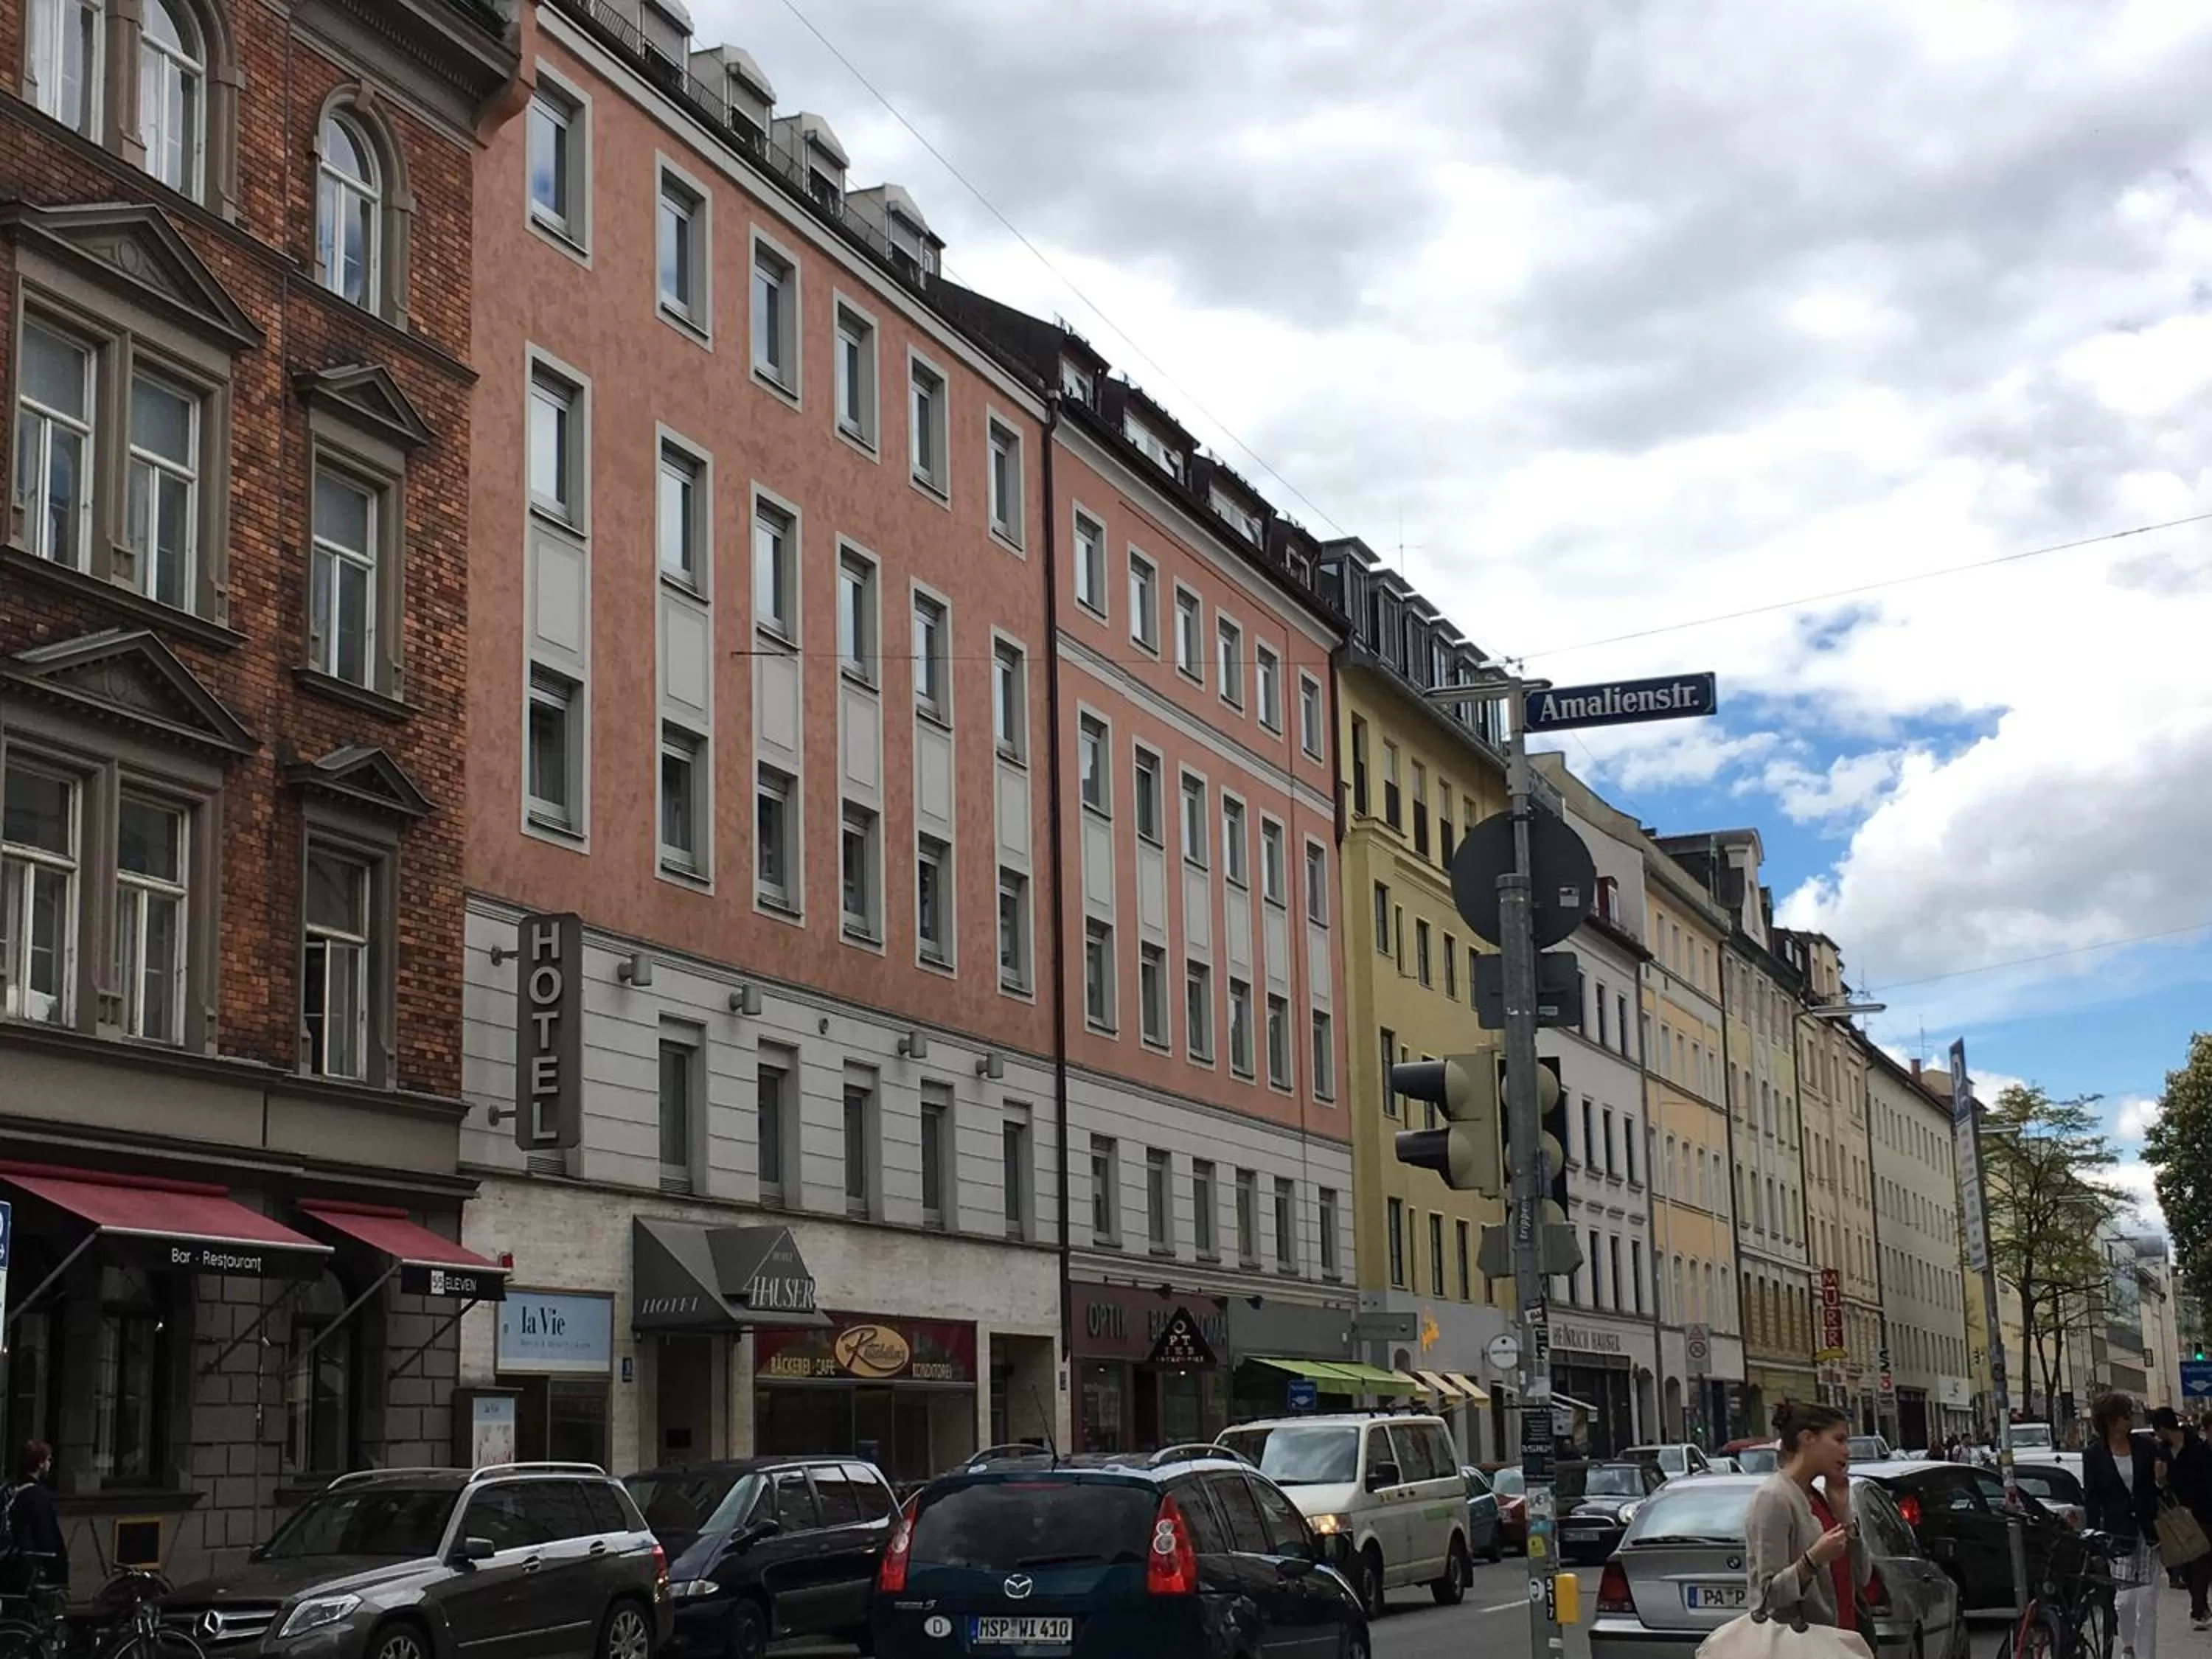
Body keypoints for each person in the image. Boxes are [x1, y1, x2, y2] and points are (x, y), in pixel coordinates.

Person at [1746, 1399, 1870, 1632]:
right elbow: (1767, 1599)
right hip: (1802, 1648)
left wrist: (1844, 1515)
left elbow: (1862, 1577)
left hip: (1841, 1642)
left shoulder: (1820, 1497)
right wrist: (1812, 1561)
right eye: (1839, 1439)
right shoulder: (1774, 1498)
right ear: (1808, 1439)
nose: (1847, 1451)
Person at [2084, 1394, 2160, 1659]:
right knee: (2125, 1601)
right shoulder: (2093, 1455)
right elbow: (2092, 1499)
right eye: (2125, 1415)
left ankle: (2147, 1655)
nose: (2130, 1420)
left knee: (2148, 1601)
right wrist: (2092, 1535)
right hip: (2117, 1534)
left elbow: (2159, 1488)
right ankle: (2128, 1644)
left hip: (2148, 1531)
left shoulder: (2146, 1447)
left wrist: (2161, 1480)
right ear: (2110, 1421)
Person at [2151, 1408, 2212, 1629]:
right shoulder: (2161, 1452)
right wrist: (2160, 1479)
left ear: (2164, 1428)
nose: (2157, 1435)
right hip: (2176, 1516)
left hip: (2203, 1512)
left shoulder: (2198, 1447)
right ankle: (2201, 1606)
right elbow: (2159, 1488)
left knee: (2201, 1562)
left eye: (2157, 1430)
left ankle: (2198, 1611)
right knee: (2184, 1564)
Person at [1, 1440, 66, 1599]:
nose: (50, 1465)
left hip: (8, 1564)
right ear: (40, 1464)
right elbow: (45, 1535)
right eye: (48, 1460)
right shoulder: (37, 1496)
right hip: (31, 1570)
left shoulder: (9, 1489)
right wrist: (55, 1567)